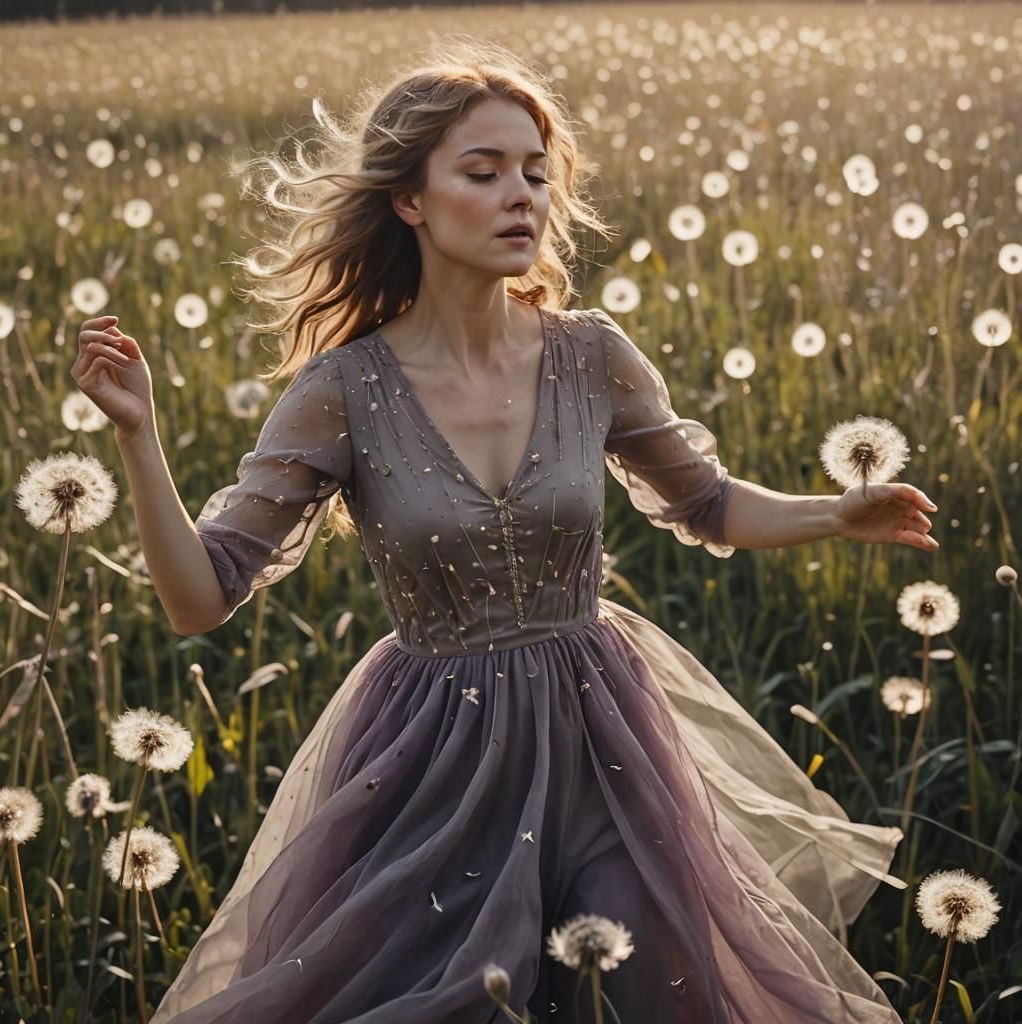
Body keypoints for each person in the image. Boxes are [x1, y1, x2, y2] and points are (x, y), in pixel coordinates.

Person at [72, 37, 939, 1024]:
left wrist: (834, 513)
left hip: (604, 740)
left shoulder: (591, 355)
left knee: (643, 981)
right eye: (483, 173)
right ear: (411, 199)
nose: (520, 195)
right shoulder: (342, 392)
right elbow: (199, 599)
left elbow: (707, 504)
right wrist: (138, 436)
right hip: (437, 760)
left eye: (534, 171)